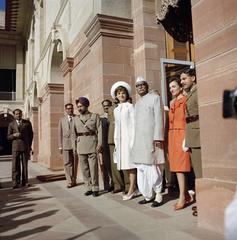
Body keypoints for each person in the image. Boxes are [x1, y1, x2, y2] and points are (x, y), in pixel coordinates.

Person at [132, 76, 165, 207]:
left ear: (147, 86)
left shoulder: (155, 98)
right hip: (139, 141)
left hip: (151, 140)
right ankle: (148, 195)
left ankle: (158, 194)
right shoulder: (137, 103)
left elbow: (159, 119)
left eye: (142, 84)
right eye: (138, 85)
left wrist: (158, 137)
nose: (140, 87)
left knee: (152, 167)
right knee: (141, 168)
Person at [180, 68, 202, 216]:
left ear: (193, 78)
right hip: (192, 134)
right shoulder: (190, 93)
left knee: (200, 173)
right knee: (197, 171)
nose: (182, 82)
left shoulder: (198, 90)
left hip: (198, 133)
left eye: (184, 79)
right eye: (181, 80)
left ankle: (204, 204)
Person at [111, 81, 137, 201]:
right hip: (120, 141)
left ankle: (132, 188)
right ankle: (133, 187)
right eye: (119, 93)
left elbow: (133, 124)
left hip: (129, 139)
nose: (121, 95)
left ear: (127, 95)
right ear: (116, 96)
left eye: (123, 93)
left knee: (131, 165)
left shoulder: (130, 107)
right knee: (125, 165)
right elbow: (117, 126)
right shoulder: (116, 110)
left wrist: (132, 142)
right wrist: (116, 142)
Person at [168, 77, 191, 210]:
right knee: (176, 166)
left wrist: (186, 138)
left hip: (182, 134)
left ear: (180, 87)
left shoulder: (186, 99)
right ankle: (185, 194)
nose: (171, 89)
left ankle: (183, 196)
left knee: (182, 167)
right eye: (170, 87)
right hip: (172, 135)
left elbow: (187, 119)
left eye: (174, 86)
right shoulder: (172, 102)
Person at [74, 97, 102, 197]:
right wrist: (74, 147)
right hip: (80, 144)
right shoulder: (75, 118)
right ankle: (88, 187)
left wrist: (99, 144)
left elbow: (99, 131)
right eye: (78, 107)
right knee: (84, 169)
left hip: (92, 143)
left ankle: (95, 188)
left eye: (81, 106)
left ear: (86, 106)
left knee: (93, 168)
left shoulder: (94, 116)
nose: (79, 108)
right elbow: (74, 134)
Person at [107, 100, 130, 194]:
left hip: (124, 137)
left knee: (125, 162)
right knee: (114, 164)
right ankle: (118, 185)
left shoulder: (128, 106)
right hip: (112, 138)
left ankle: (128, 185)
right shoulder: (111, 109)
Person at [7, 109, 33, 189]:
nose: (18, 115)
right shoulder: (11, 124)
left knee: (25, 165)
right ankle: (15, 183)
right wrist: (14, 135)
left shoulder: (27, 123)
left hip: (25, 147)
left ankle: (25, 182)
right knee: (15, 165)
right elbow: (8, 137)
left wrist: (29, 146)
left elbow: (31, 135)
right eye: (16, 114)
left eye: (19, 113)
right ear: (14, 115)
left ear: (21, 114)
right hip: (15, 147)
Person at [58, 103, 78, 188]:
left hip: (75, 144)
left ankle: (74, 180)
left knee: (75, 163)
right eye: (68, 108)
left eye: (71, 108)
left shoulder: (77, 118)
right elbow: (59, 133)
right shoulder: (62, 120)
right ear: (66, 110)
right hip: (65, 144)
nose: (70, 110)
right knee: (67, 163)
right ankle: (69, 181)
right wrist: (60, 146)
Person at [99, 99, 113, 191]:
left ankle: (115, 184)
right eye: (104, 106)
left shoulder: (114, 116)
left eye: (107, 105)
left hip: (113, 144)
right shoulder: (100, 118)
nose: (106, 107)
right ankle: (107, 186)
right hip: (104, 145)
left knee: (113, 165)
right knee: (105, 165)